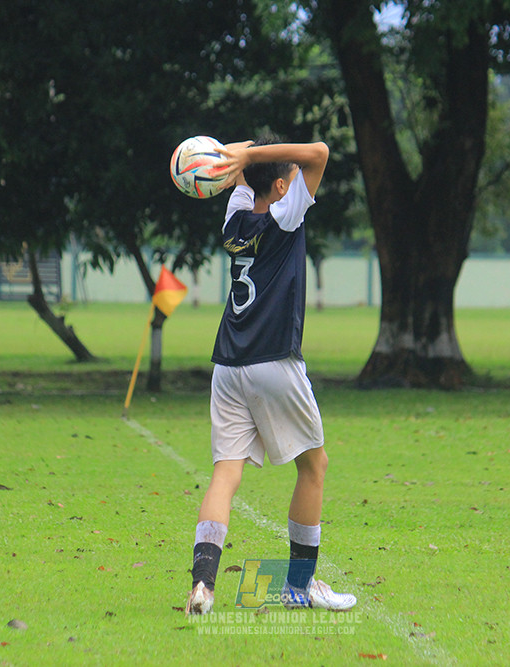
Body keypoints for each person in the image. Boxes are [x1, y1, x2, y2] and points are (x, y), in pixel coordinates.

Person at [184, 134, 357, 615]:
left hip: (228, 367)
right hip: (274, 362)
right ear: (282, 185)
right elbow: (320, 152)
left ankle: (203, 585)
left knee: (225, 474)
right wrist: (252, 155)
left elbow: (246, 172)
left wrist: (231, 156)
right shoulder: (286, 213)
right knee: (314, 467)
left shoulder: (236, 216)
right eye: (292, 178)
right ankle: (301, 585)